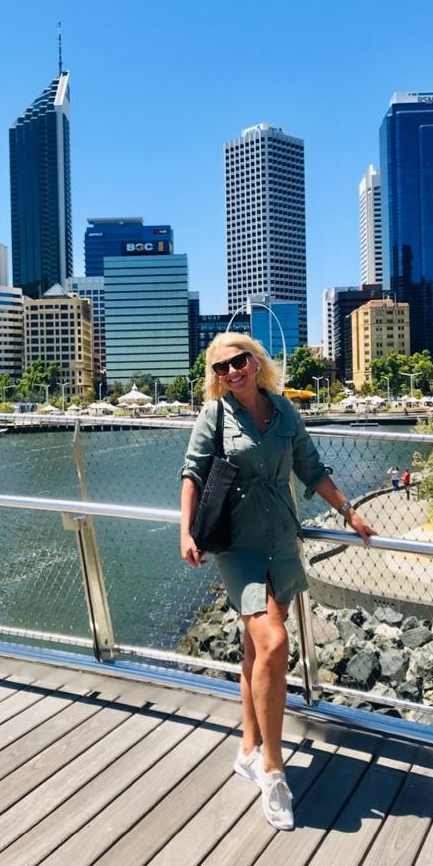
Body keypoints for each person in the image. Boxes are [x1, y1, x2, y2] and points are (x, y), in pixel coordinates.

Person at [180, 333, 376, 831]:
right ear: (215, 376)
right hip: (237, 545)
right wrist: (186, 531)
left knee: (256, 650)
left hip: (281, 539)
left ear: (255, 361)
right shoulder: (215, 417)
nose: (232, 372)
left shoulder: (285, 412)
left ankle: (247, 747)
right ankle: (273, 770)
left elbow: (311, 469)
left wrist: (350, 512)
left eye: (239, 361)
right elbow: (193, 475)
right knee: (274, 643)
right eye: (221, 367)